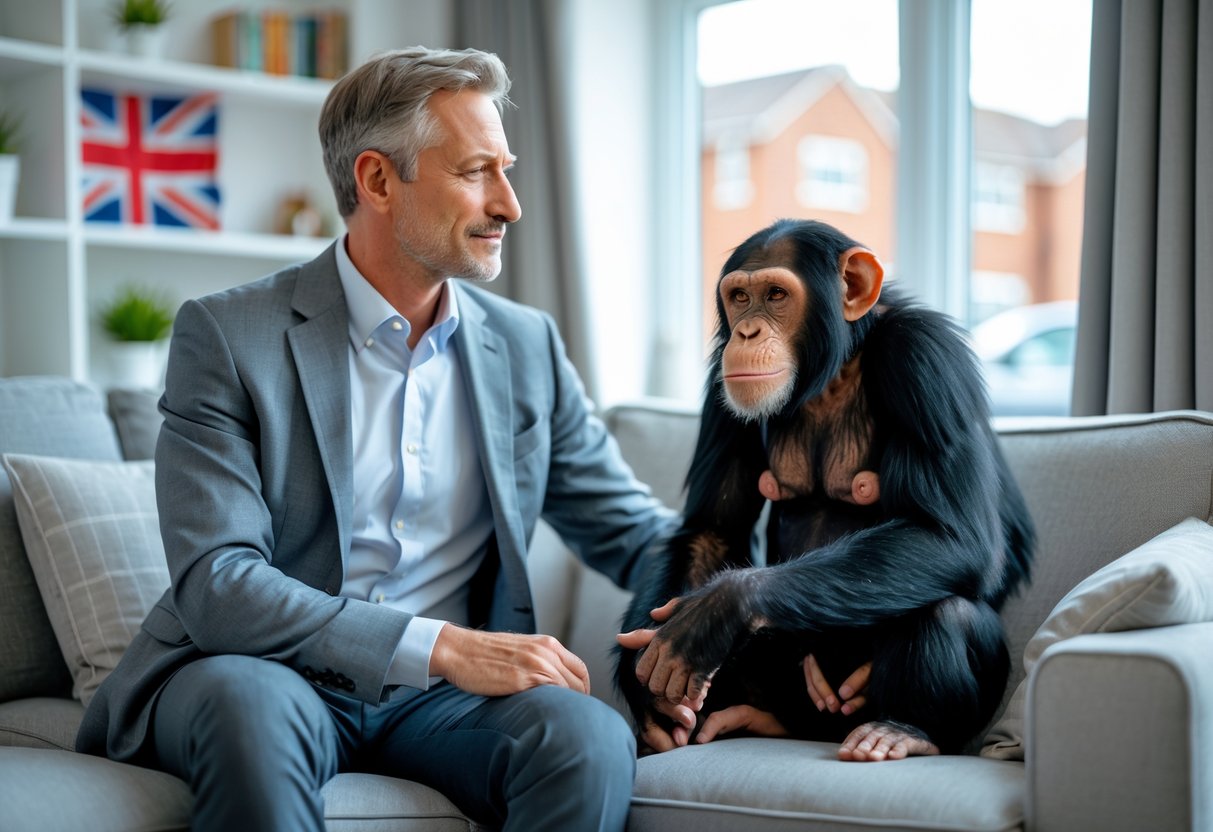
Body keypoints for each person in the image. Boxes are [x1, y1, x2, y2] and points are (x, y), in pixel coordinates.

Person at [75, 46, 676, 832]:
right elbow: (218, 581)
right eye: (475, 172)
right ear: (378, 181)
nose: (510, 205)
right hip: (269, 672)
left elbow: (636, 533)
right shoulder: (228, 335)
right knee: (248, 705)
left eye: (508, 168)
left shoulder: (526, 348)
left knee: (586, 734)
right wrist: (442, 646)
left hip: (444, 710)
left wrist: (719, 617)